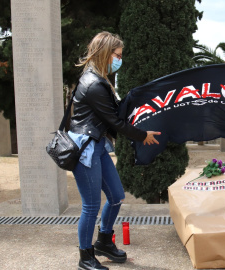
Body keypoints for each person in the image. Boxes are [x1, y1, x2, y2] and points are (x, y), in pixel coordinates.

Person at [69, 31, 160, 270]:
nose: (119, 60)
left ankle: (103, 241)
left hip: (97, 145)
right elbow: (115, 122)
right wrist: (143, 136)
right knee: (90, 205)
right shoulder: (93, 84)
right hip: (86, 148)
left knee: (116, 195)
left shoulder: (99, 79)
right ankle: (85, 256)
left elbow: (115, 112)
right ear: (104, 54)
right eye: (117, 55)